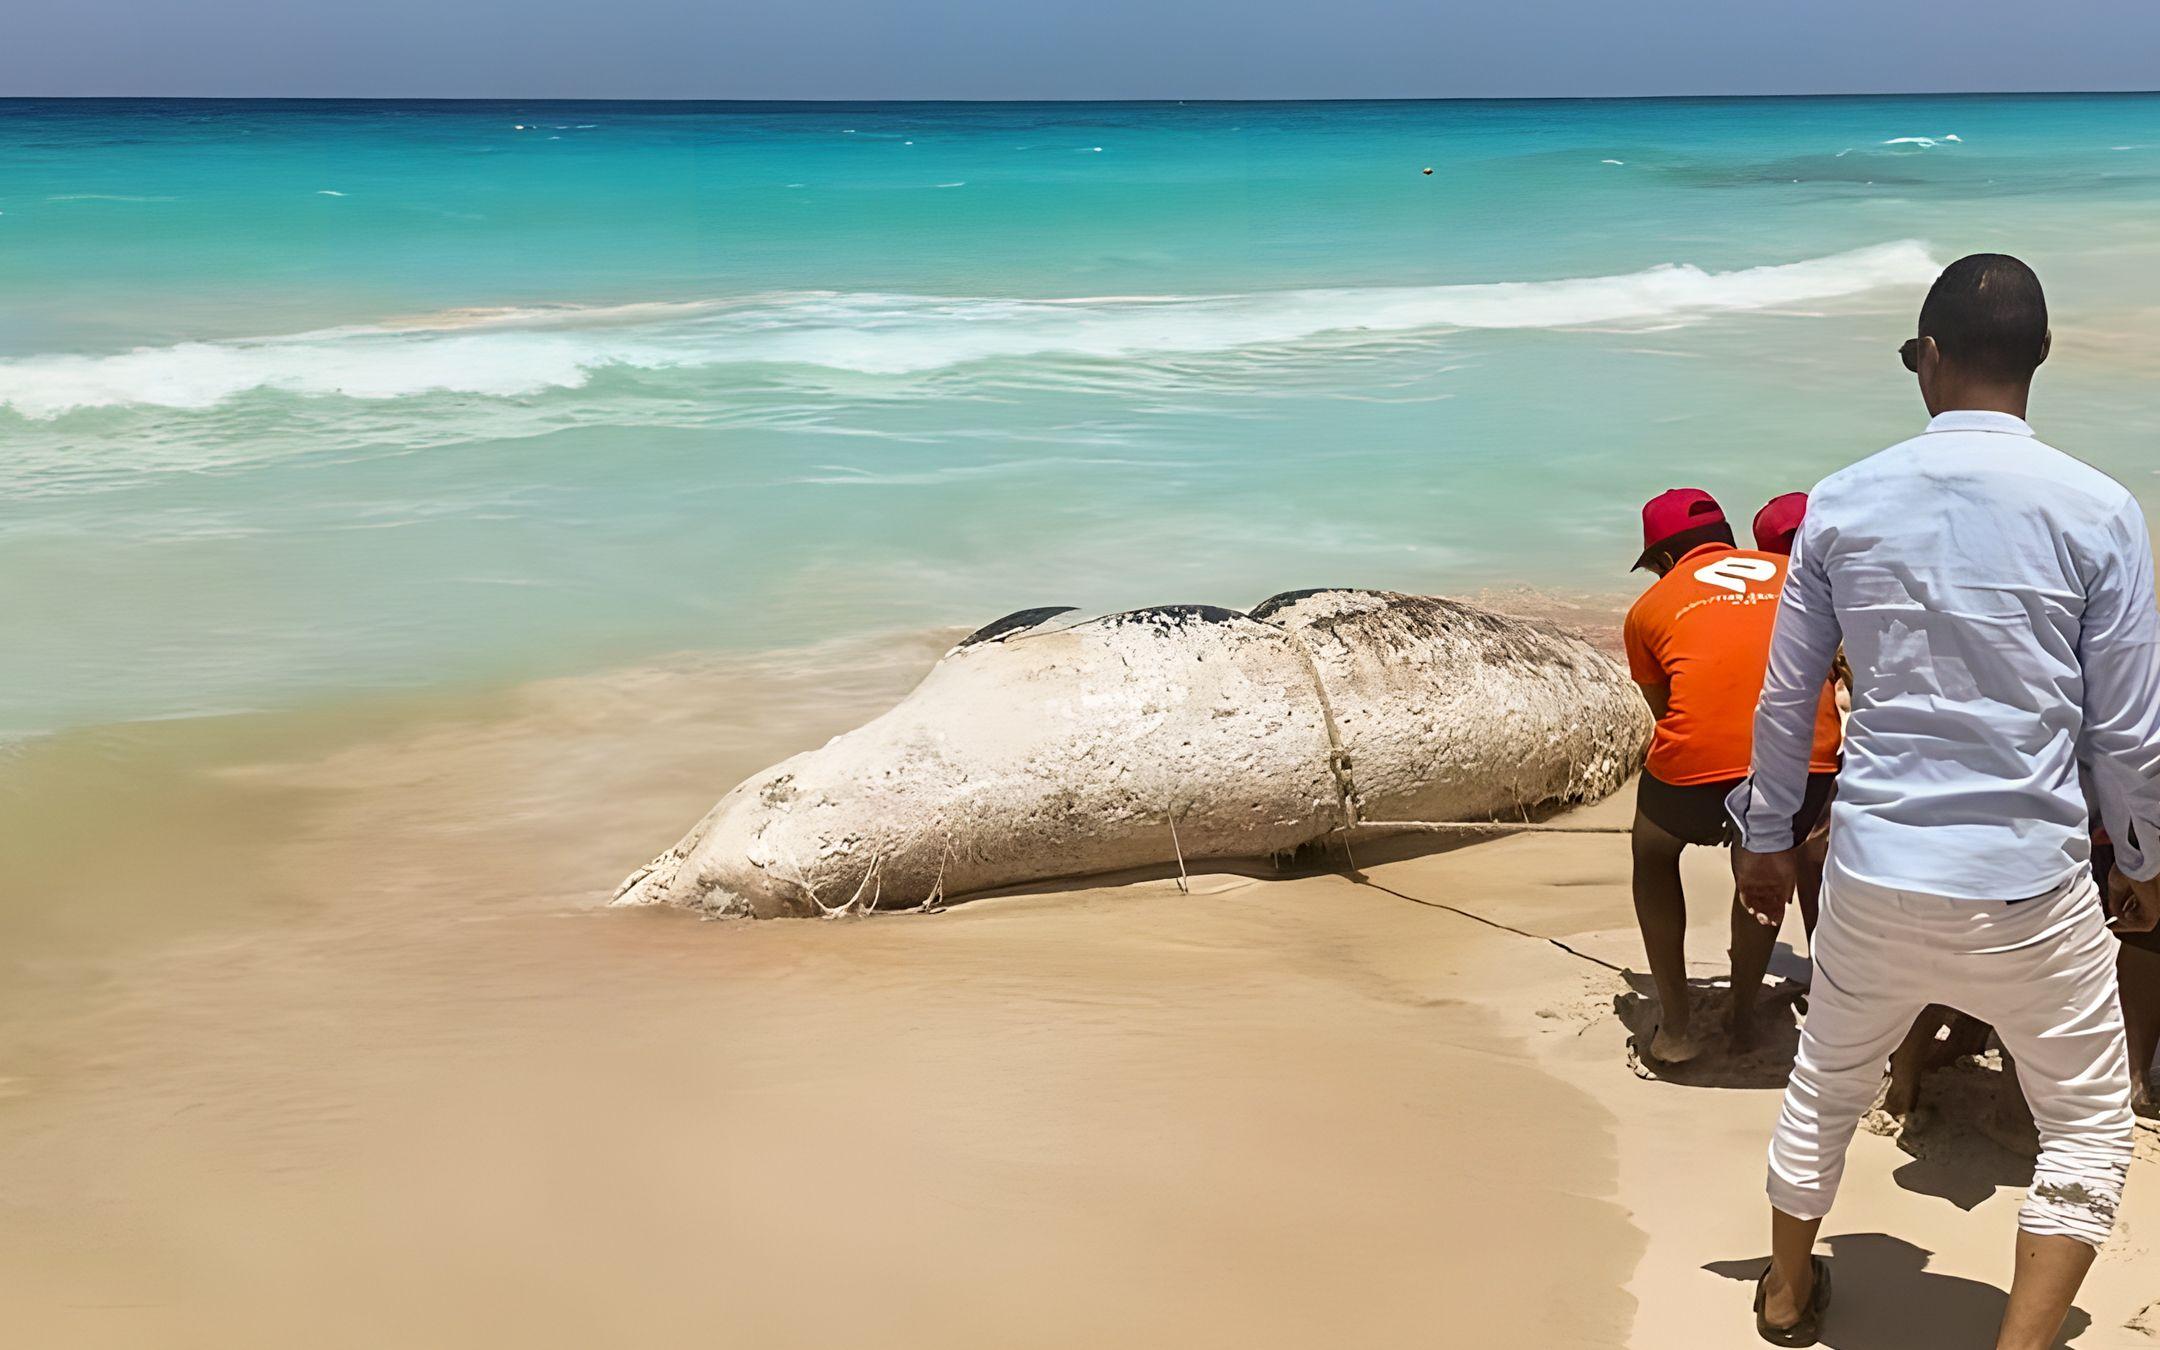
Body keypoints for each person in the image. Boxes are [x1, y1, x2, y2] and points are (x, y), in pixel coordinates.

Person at [1731, 254, 2160, 1348]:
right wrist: (2145, 861)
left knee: (1826, 1080)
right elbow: (2125, 730)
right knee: (2084, 1123)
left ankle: (1785, 1296)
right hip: (2030, 884)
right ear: (2043, 358)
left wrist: (1767, 842)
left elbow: (1788, 701)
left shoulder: (1844, 500)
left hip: (1876, 871)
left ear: (1926, 357)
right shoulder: (2102, 510)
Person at [1623, 489, 1843, 1064]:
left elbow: (1669, 710)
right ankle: (1743, 1017)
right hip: (1808, 769)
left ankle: (1675, 1027)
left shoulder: (1649, 608)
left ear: (1664, 559)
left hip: (1697, 775)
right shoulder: (1796, 577)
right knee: (1769, 847)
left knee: (1652, 850)